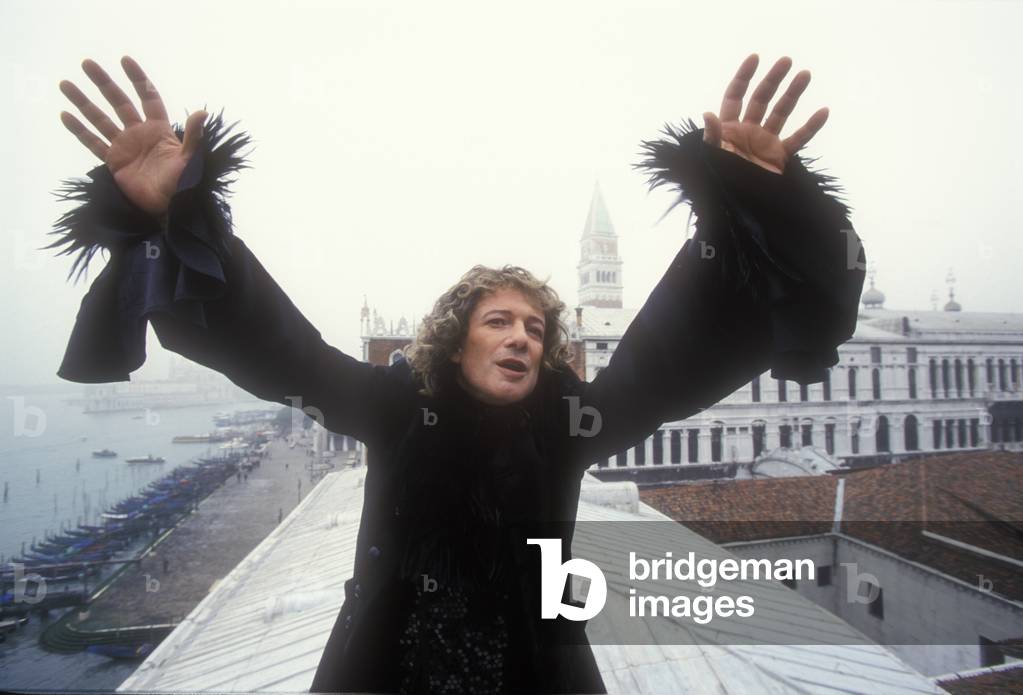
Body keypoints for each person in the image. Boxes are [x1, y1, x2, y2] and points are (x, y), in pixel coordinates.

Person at [52, 54, 864, 694]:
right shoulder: (391, 407)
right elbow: (280, 350)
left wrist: (744, 208)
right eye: (498, 320)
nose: (520, 338)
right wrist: (174, 215)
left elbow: (668, 360)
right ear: (455, 339)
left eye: (535, 328)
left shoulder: (569, 425)